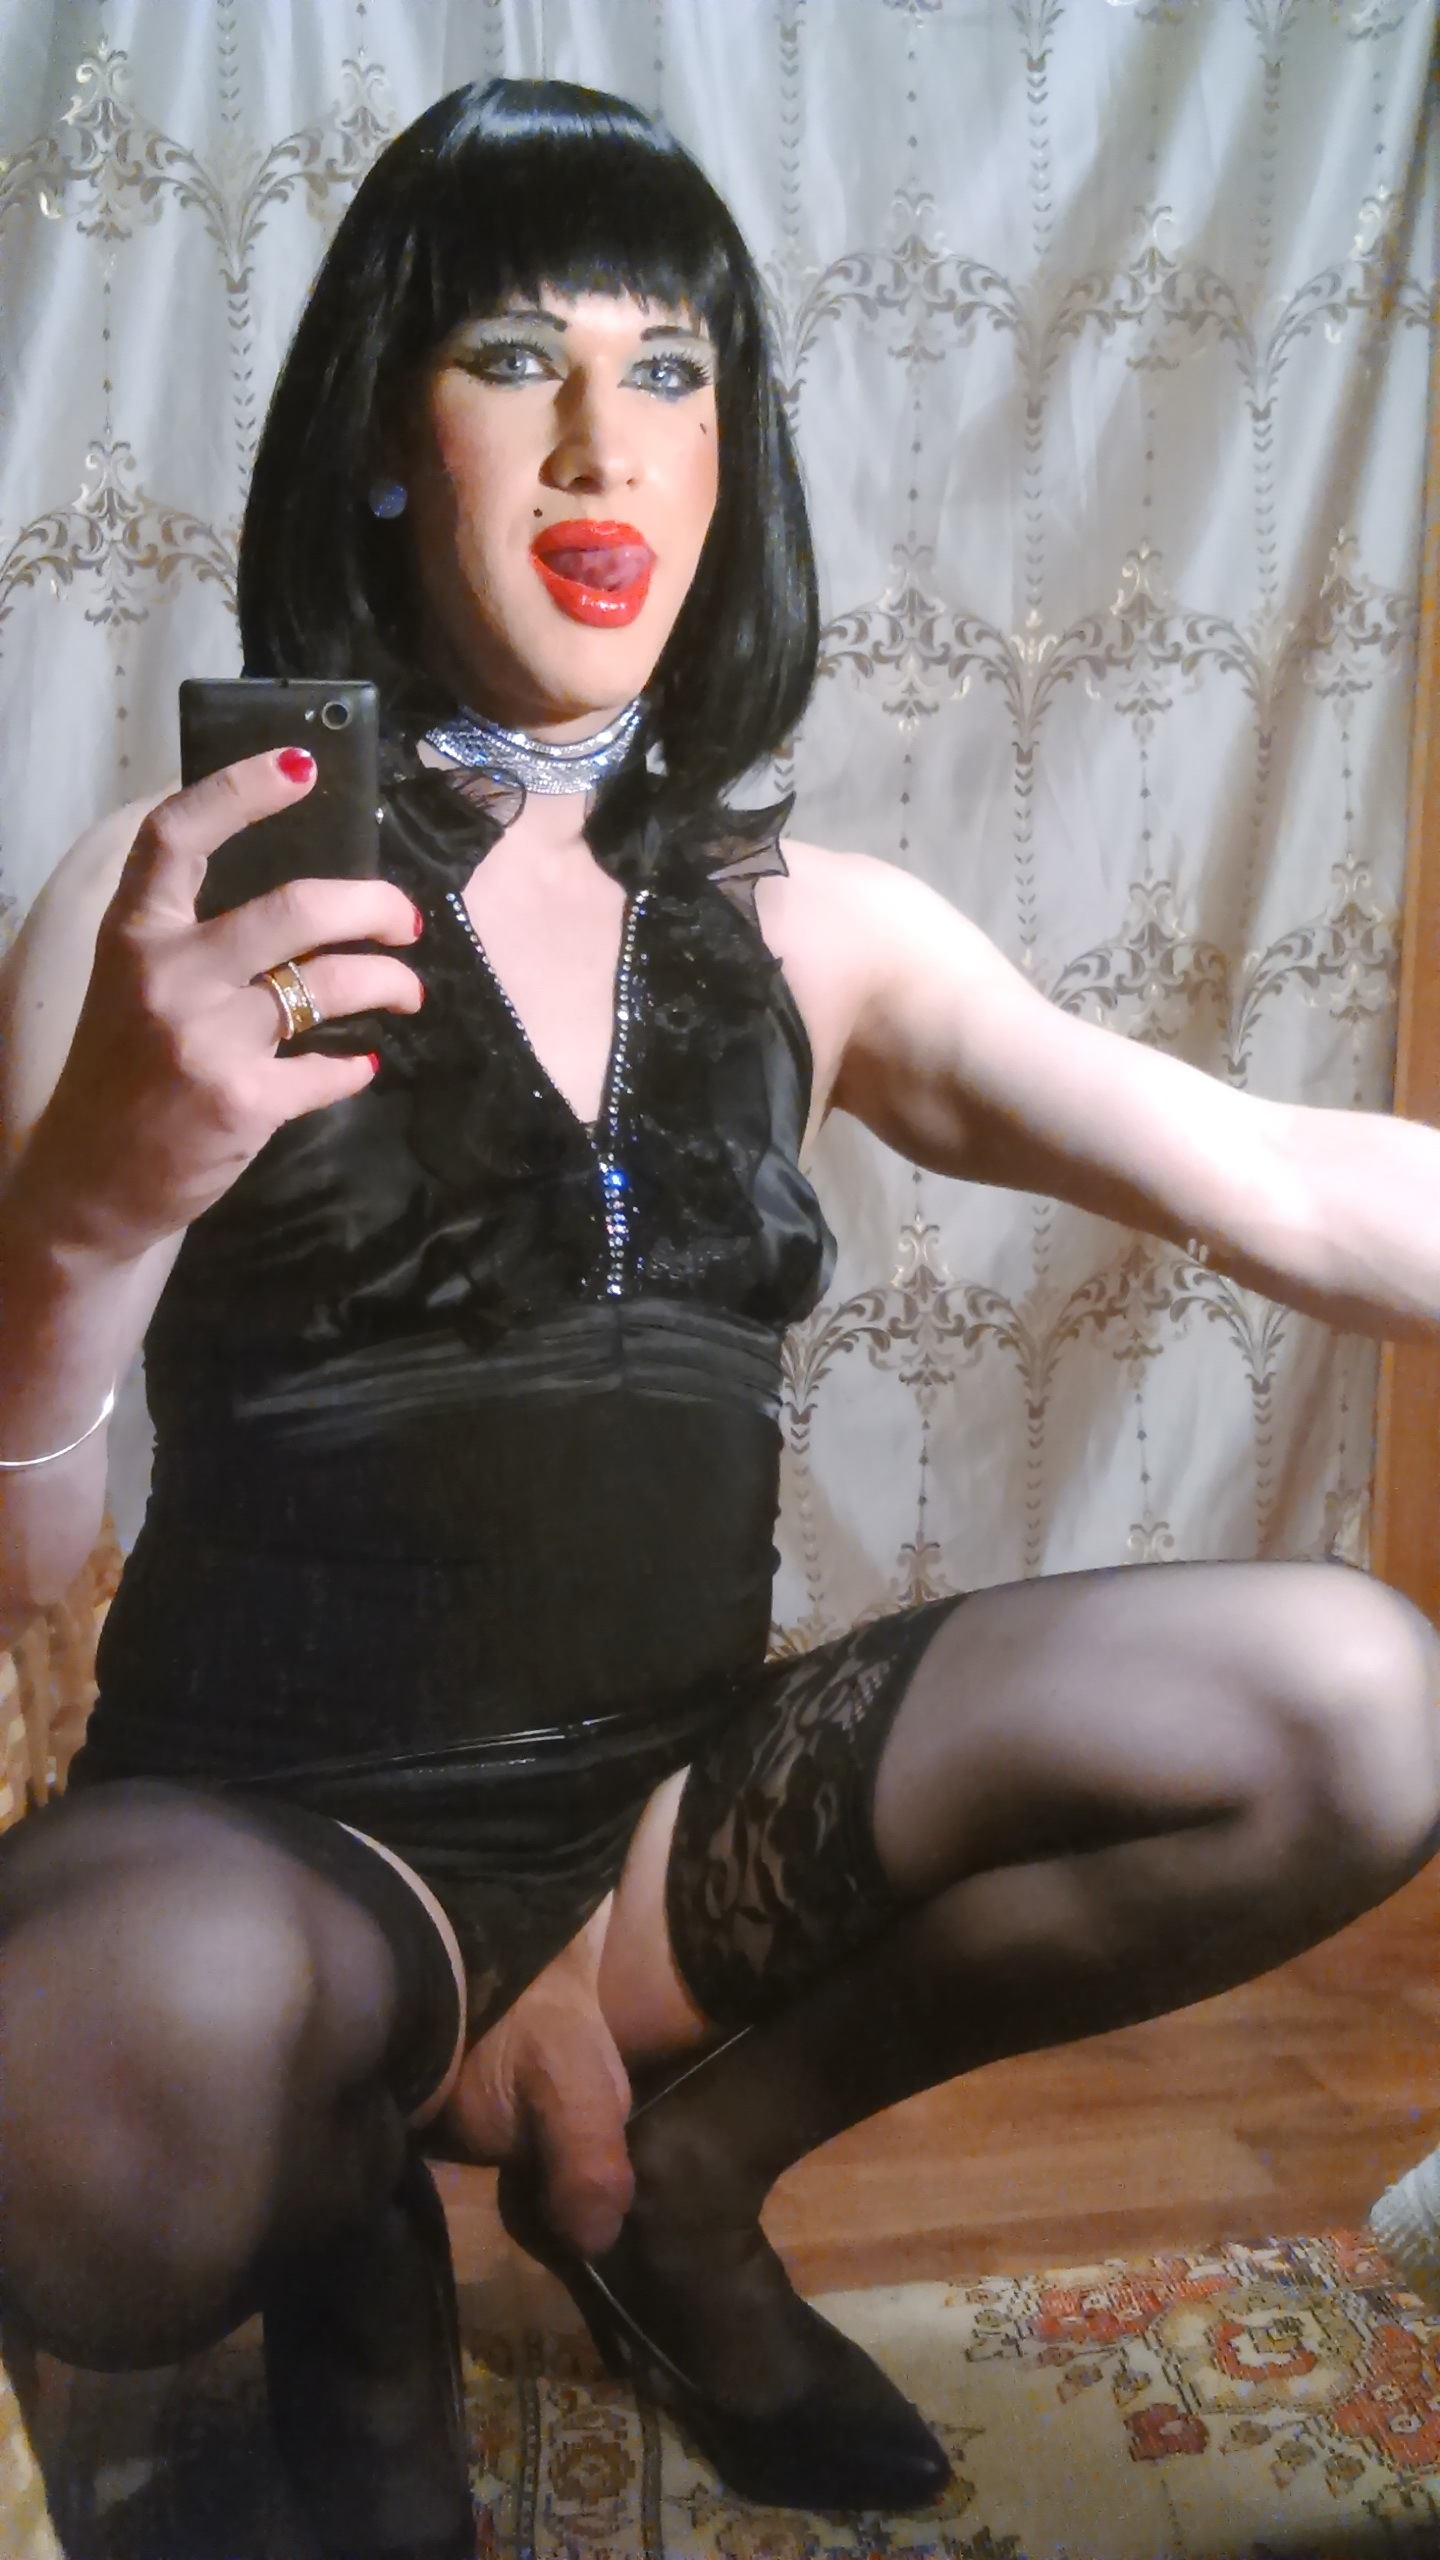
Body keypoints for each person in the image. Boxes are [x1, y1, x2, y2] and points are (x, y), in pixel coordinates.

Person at [1, 76, 1439, 2560]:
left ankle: (684, 2180)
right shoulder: (172, 899)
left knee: (1355, 1699)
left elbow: (1283, 1175)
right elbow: (18, 1567)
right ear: (384, 441)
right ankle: (348, 2194)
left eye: (667, 368)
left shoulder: (815, 925)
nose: (604, 441)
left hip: (662, 1839)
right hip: (288, 1845)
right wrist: (85, 1209)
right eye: (514, 358)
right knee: (85, 2082)